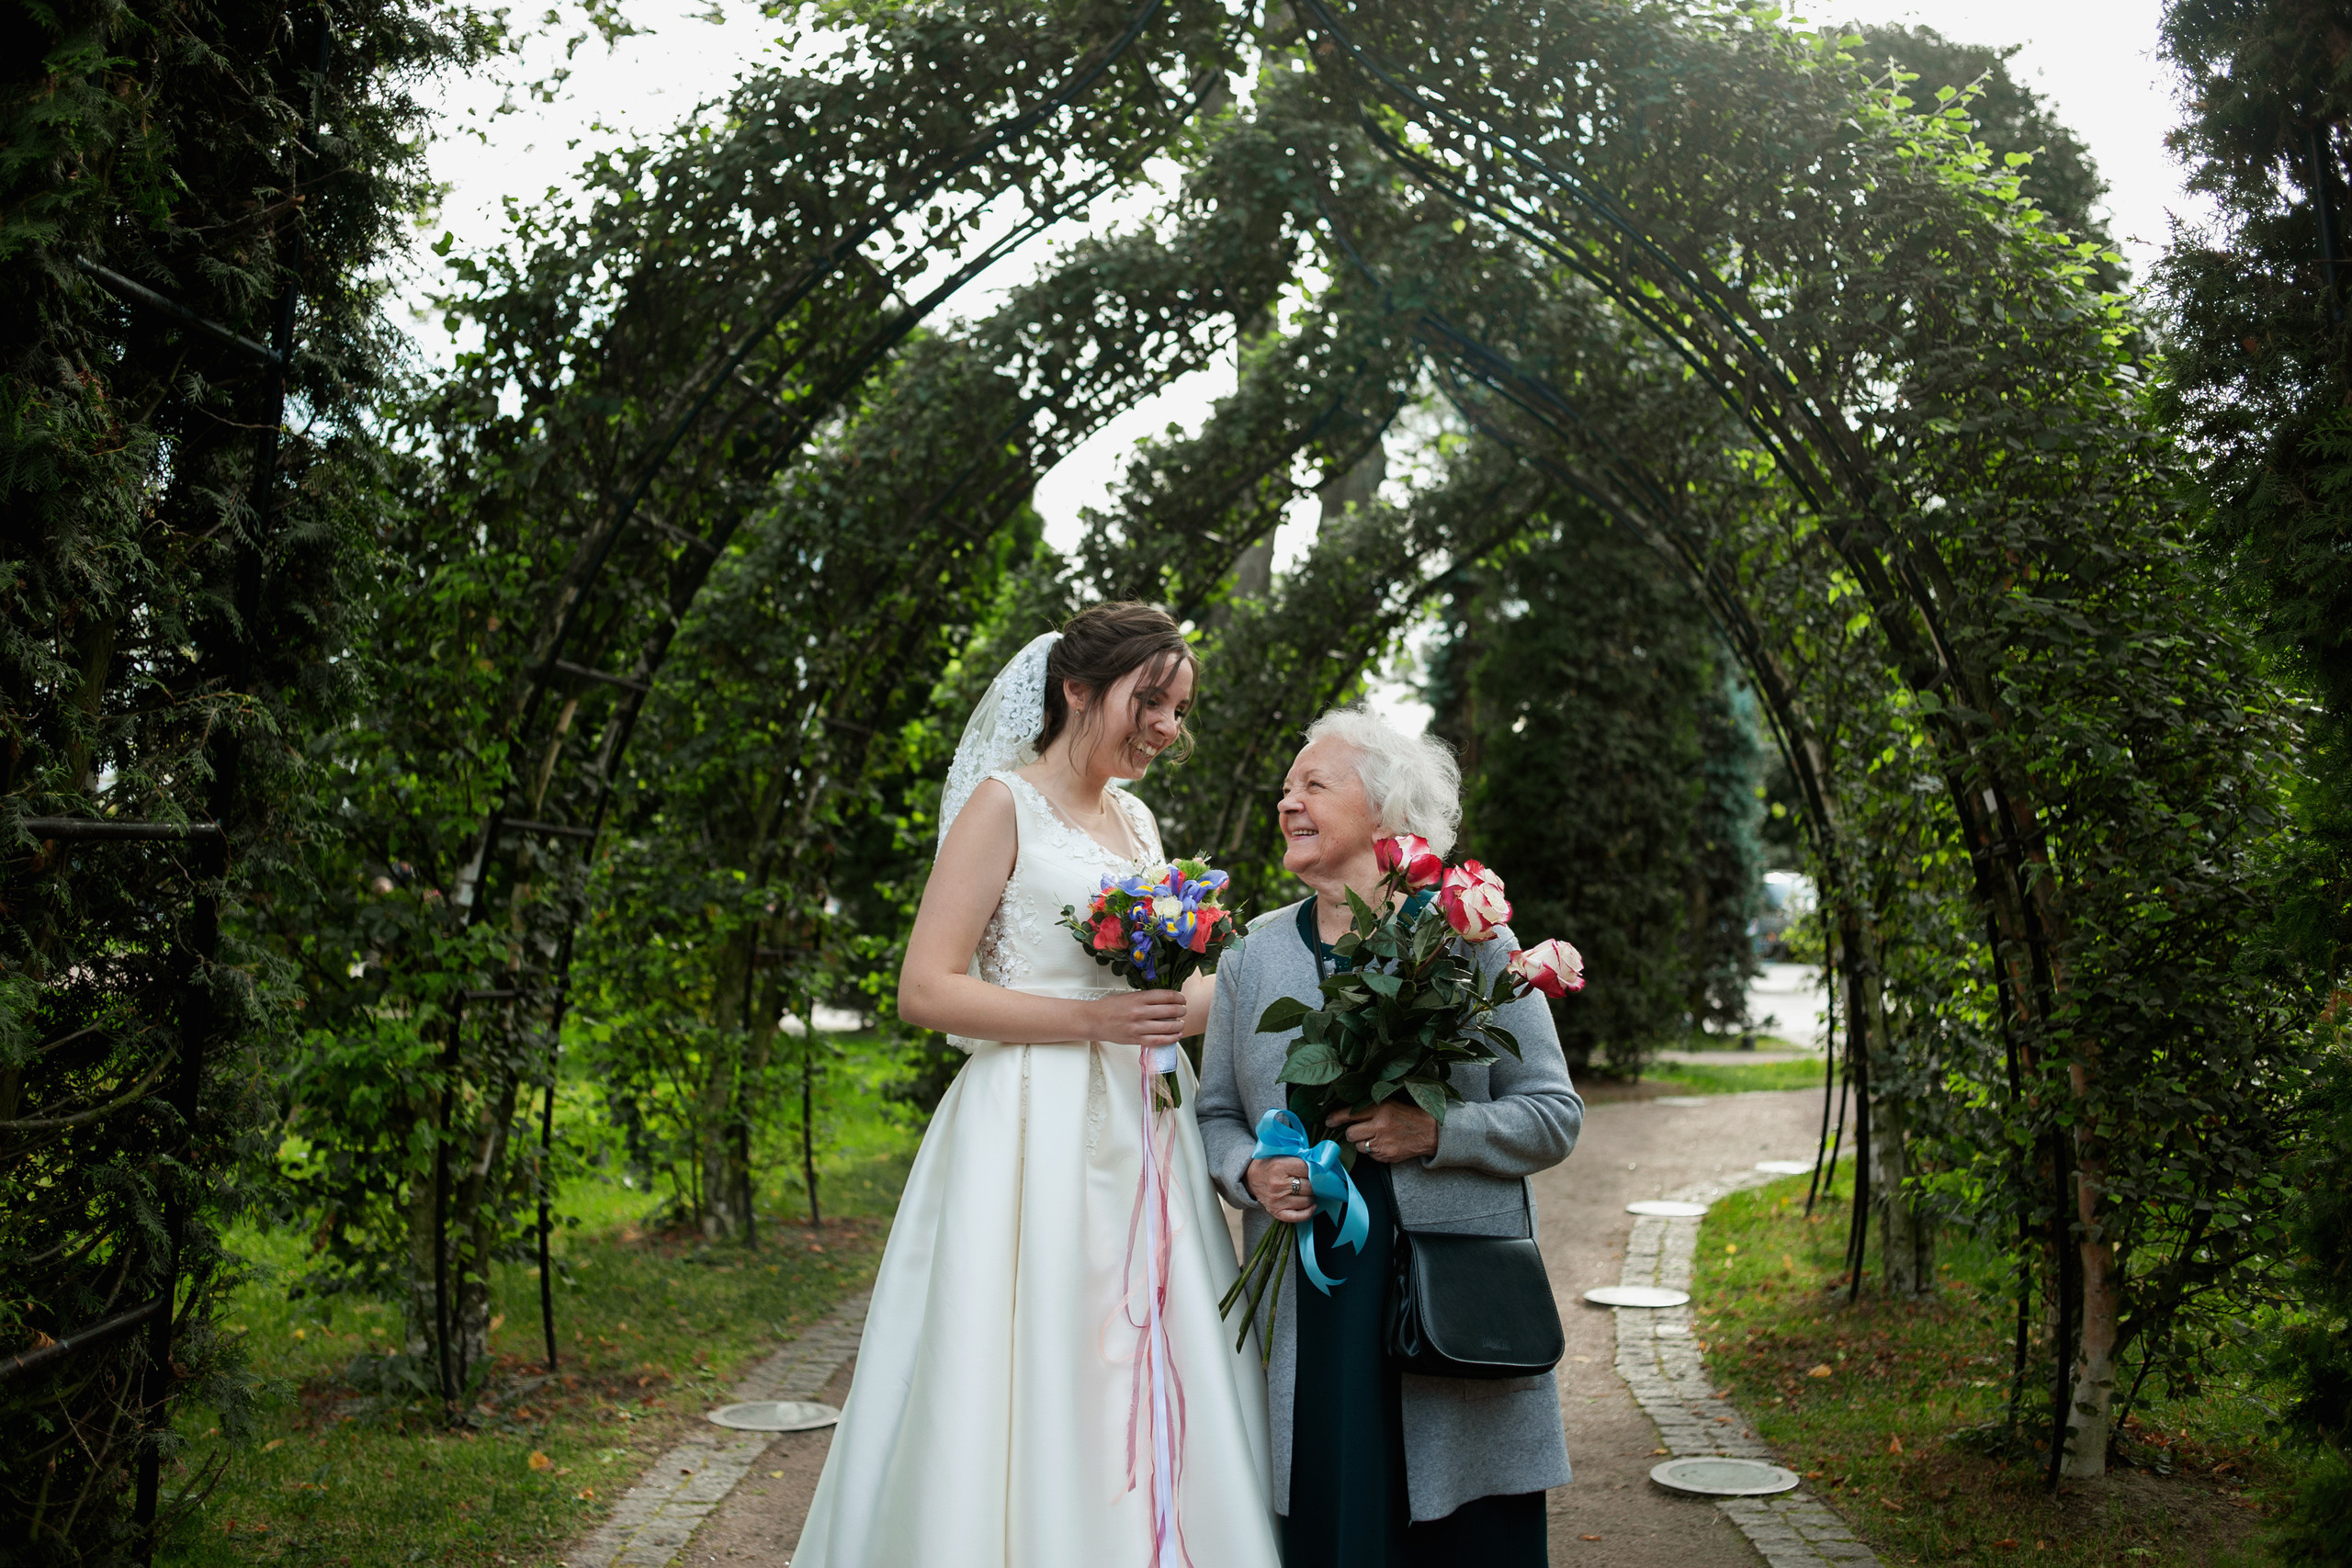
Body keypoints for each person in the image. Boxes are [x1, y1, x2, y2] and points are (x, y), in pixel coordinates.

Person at [795, 604, 1281, 1568]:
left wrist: (1290, 970)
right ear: (1076, 690)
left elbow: (1165, 995)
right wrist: (1089, 1022)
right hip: (1025, 1127)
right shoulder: (1000, 805)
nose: (1167, 729)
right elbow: (925, 987)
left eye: (1180, 709)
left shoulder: (1137, 819)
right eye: (1151, 702)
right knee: (1023, 1352)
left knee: (1144, 1349)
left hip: (1146, 1125)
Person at [1196, 707, 1583, 1568]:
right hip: (1310, 1296)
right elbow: (1215, 1113)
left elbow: (1555, 1112)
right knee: (1334, 1516)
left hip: (1444, 1287)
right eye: (1287, 786)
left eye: (1313, 784)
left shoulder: (1470, 938)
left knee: (1459, 1532)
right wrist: (1250, 1171)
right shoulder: (1252, 956)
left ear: (1384, 813)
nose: (1287, 800)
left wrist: (1436, 1129)